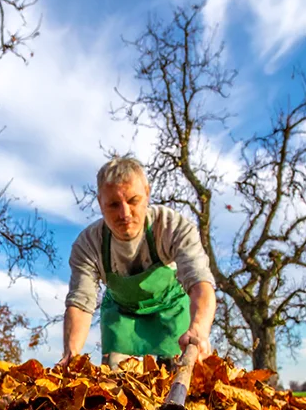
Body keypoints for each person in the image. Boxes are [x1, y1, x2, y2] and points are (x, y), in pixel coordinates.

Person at [57, 156, 218, 369]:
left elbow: (199, 281)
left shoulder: (173, 227)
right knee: (117, 380)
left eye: (133, 200)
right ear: (100, 203)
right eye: (113, 204)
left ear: (147, 193)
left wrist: (199, 328)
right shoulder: (88, 245)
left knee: (174, 374)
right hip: (121, 316)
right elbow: (81, 301)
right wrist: (71, 354)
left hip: (171, 312)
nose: (125, 214)